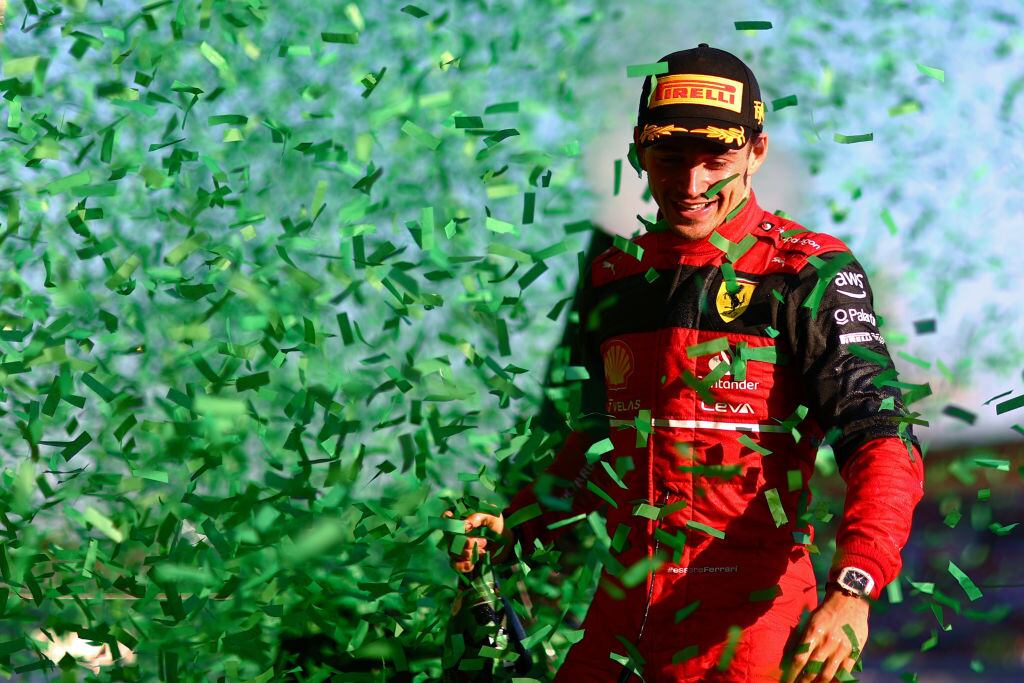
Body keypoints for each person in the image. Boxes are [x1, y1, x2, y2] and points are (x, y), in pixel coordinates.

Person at [446, 43, 925, 683]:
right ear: (639, 151)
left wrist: (855, 585)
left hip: (750, 626)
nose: (691, 184)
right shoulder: (616, 275)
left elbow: (882, 437)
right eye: (670, 158)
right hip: (623, 620)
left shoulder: (808, 271)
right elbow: (594, 445)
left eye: (717, 158)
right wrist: (520, 523)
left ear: (757, 152)